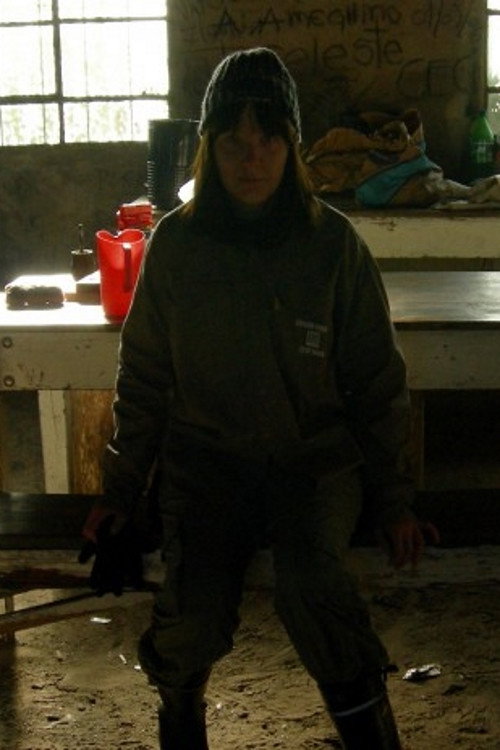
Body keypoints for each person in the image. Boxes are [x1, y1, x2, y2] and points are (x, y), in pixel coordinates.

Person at [81, 47, 439, 749]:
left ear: (292, 146)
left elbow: (376, 381)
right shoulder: (176, 247)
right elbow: (144, 377)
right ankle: (180, 714)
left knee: (314, 585)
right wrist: (121, 493)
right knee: (192, 608)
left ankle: (368, 728)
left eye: (269, 137)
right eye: (233, 141)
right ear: (208, 148)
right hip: (206, 465)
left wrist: (394, 499)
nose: (252, 158)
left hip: (313, 464)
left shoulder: (331, 247)